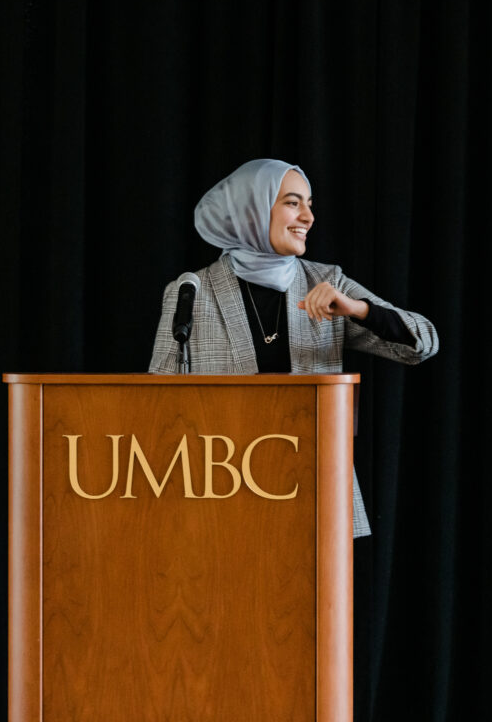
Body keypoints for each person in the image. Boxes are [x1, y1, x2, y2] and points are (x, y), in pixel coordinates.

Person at [150, 158, 439, 537]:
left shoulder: (326, 282)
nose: (308, 217)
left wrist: (357, 309)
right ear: (251, 208)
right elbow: (155, 404)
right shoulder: (192, 291)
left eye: (309, 204)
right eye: (292, 202)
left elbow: (423, 343)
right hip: (218, 491)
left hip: (313, 485)